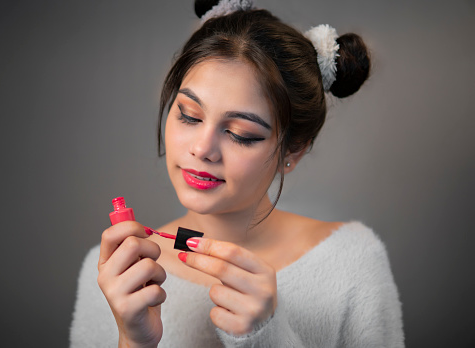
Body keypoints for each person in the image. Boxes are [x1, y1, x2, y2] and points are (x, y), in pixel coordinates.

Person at [70, 1, 404, 347]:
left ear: (294, 150)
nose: (202, 149)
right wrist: (132, 340)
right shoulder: (115, 272)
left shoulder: (350, 262)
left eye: (241, 134)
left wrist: (266, 337)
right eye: (189, 115)